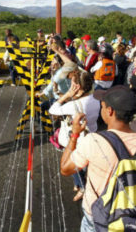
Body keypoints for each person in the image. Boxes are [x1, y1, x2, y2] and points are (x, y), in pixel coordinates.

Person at [60, 85, 136, 232]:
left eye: (103, 106)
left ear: (110, 111)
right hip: (128, 216)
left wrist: (74, 135)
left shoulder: (94, 141)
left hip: (96, 213)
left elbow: (66, 169)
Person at [49, 72, 100, 202]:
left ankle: (82, 187)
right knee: (88, 165)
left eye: (72, 83)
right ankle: (84, 185)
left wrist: (67, 95)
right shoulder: (97, 98)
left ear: (76, 86)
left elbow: (52, 110)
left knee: (75, 165)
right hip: (93, 133)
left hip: (78, 140)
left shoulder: (74, 105)